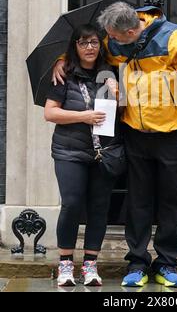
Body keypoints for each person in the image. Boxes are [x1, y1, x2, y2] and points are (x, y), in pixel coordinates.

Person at [53, 2, 177, 288]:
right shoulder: (114, 40)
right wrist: (62, 59)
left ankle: (167, 263)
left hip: (172, 134)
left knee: (171, 201)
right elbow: (90, 53)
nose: (107, 42)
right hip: (134, 132)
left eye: (113, 37)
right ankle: (137, 262)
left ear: (129, 31)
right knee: (138, 200)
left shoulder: (176, 38)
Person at [45, 24, 119, 287]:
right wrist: (83, 117)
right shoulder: (64, 72)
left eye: (94, 43)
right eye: (83, 43)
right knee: (72, 203)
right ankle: (66, 264)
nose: (89, 48)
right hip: (69, 151)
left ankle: (90, 265)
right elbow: (50, 113)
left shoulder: (111, 73)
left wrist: (118, 91)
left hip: (103, 153)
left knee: (99, 209)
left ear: (101, 46)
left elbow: (123, 112)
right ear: (74, 46)